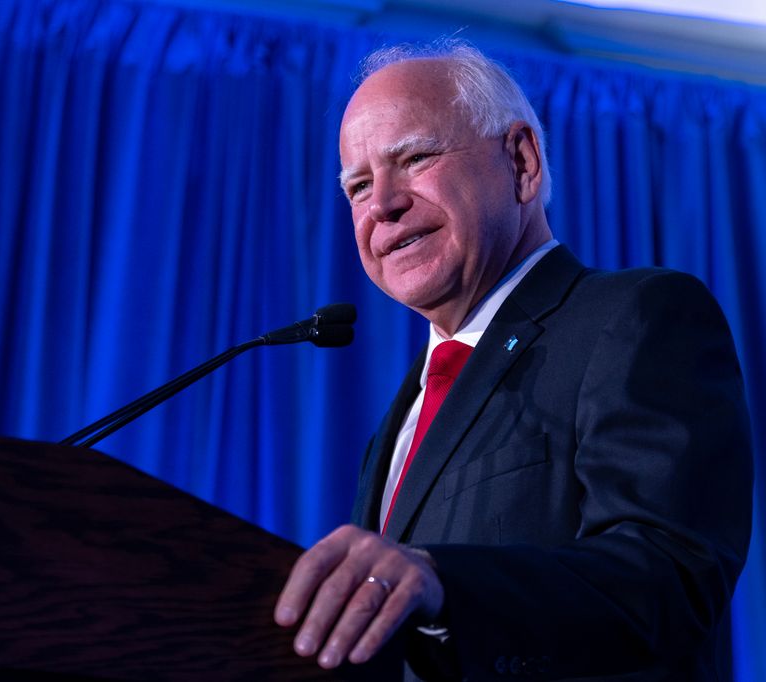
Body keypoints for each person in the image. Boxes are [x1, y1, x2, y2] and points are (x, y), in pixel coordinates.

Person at [274, 41, 752, 681]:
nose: (381, 204)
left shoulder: (637, 317)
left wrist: (445, 581)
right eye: (358, 186)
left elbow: (670, 576)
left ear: (521, 161)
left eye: (414, 158)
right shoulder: (404, 414)